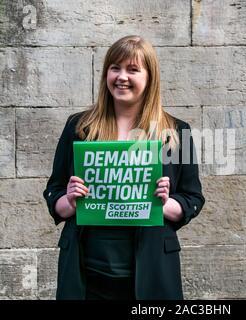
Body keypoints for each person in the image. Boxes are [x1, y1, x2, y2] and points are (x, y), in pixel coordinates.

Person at [43, 35, 205, 300]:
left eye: (133, 69)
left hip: (151, 274)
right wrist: (69, 200)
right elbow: (55, 191)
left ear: (150, 77)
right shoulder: (79, 126)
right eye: (115, 67)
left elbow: (193, 198)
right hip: (86, 273)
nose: (121, 77)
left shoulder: (176, 132)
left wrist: (164, 203)